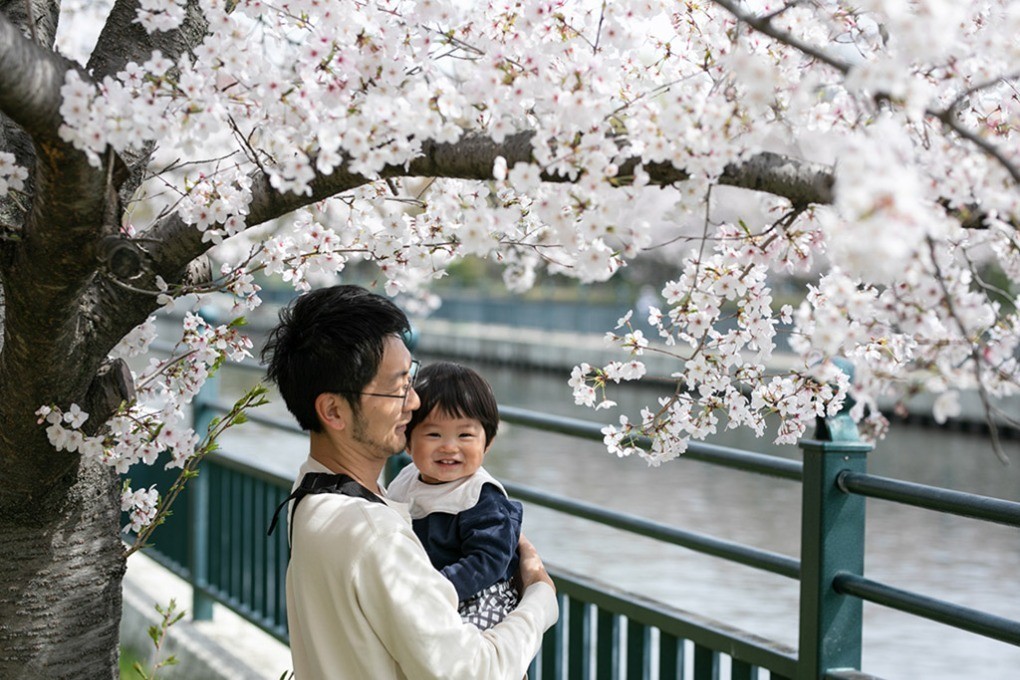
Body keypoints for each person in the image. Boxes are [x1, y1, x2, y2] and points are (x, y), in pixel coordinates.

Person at [262, 285, 557, 680]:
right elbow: (475, 672)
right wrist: (540, 597)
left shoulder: (311, 492)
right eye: (398, 387)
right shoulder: (374, 535)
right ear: (333, 410)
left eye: (411, 379)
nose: (415, 402)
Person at [386, 362, 521, 630]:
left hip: (477, 594)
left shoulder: (480, 495)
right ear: (408, 442)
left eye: (465, 435)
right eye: (434, 434)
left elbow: (489, 560)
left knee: (463, 647)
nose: (449, 447)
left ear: (488, 442)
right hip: (420, 590)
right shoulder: (405, 480)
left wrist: (437, 587)